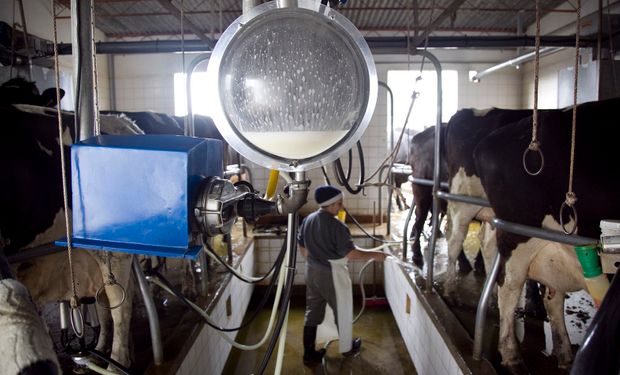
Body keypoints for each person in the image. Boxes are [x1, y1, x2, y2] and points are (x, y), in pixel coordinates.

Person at [297, 185, 389, 366]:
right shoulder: (337, 226)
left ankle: (308, 354)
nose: (341, 207)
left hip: (312, 271)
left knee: (312, 311)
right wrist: (374, 255)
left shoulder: (308, 219)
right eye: (339, 203)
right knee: (343, 310)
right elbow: (351, 254)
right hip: (331, 274)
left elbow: (302, 248)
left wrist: (316, 260)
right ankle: (347, 348)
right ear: (330, 205)